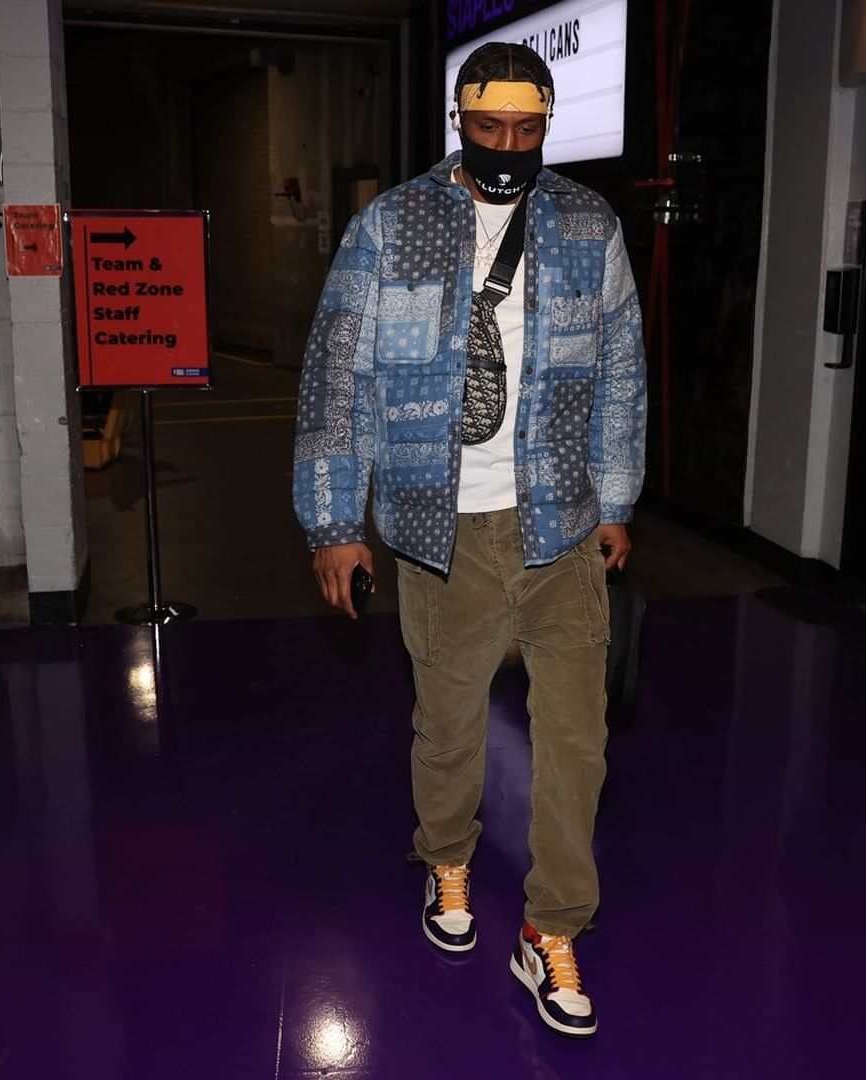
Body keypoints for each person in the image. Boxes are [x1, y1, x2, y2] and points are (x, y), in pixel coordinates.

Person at [293, 41, 646, 1038]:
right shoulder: (390, 224)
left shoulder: (588, 223)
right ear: (460, 120)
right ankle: (446, 859)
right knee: (448, 726)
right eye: (489, 126)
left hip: (559, 523)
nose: (508, 144)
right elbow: (337, 373)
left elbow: (621, 367)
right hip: (436, 526)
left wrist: (617, 497)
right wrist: (334, 520)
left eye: (527, 129)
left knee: (577, 740)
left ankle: (552, 926)